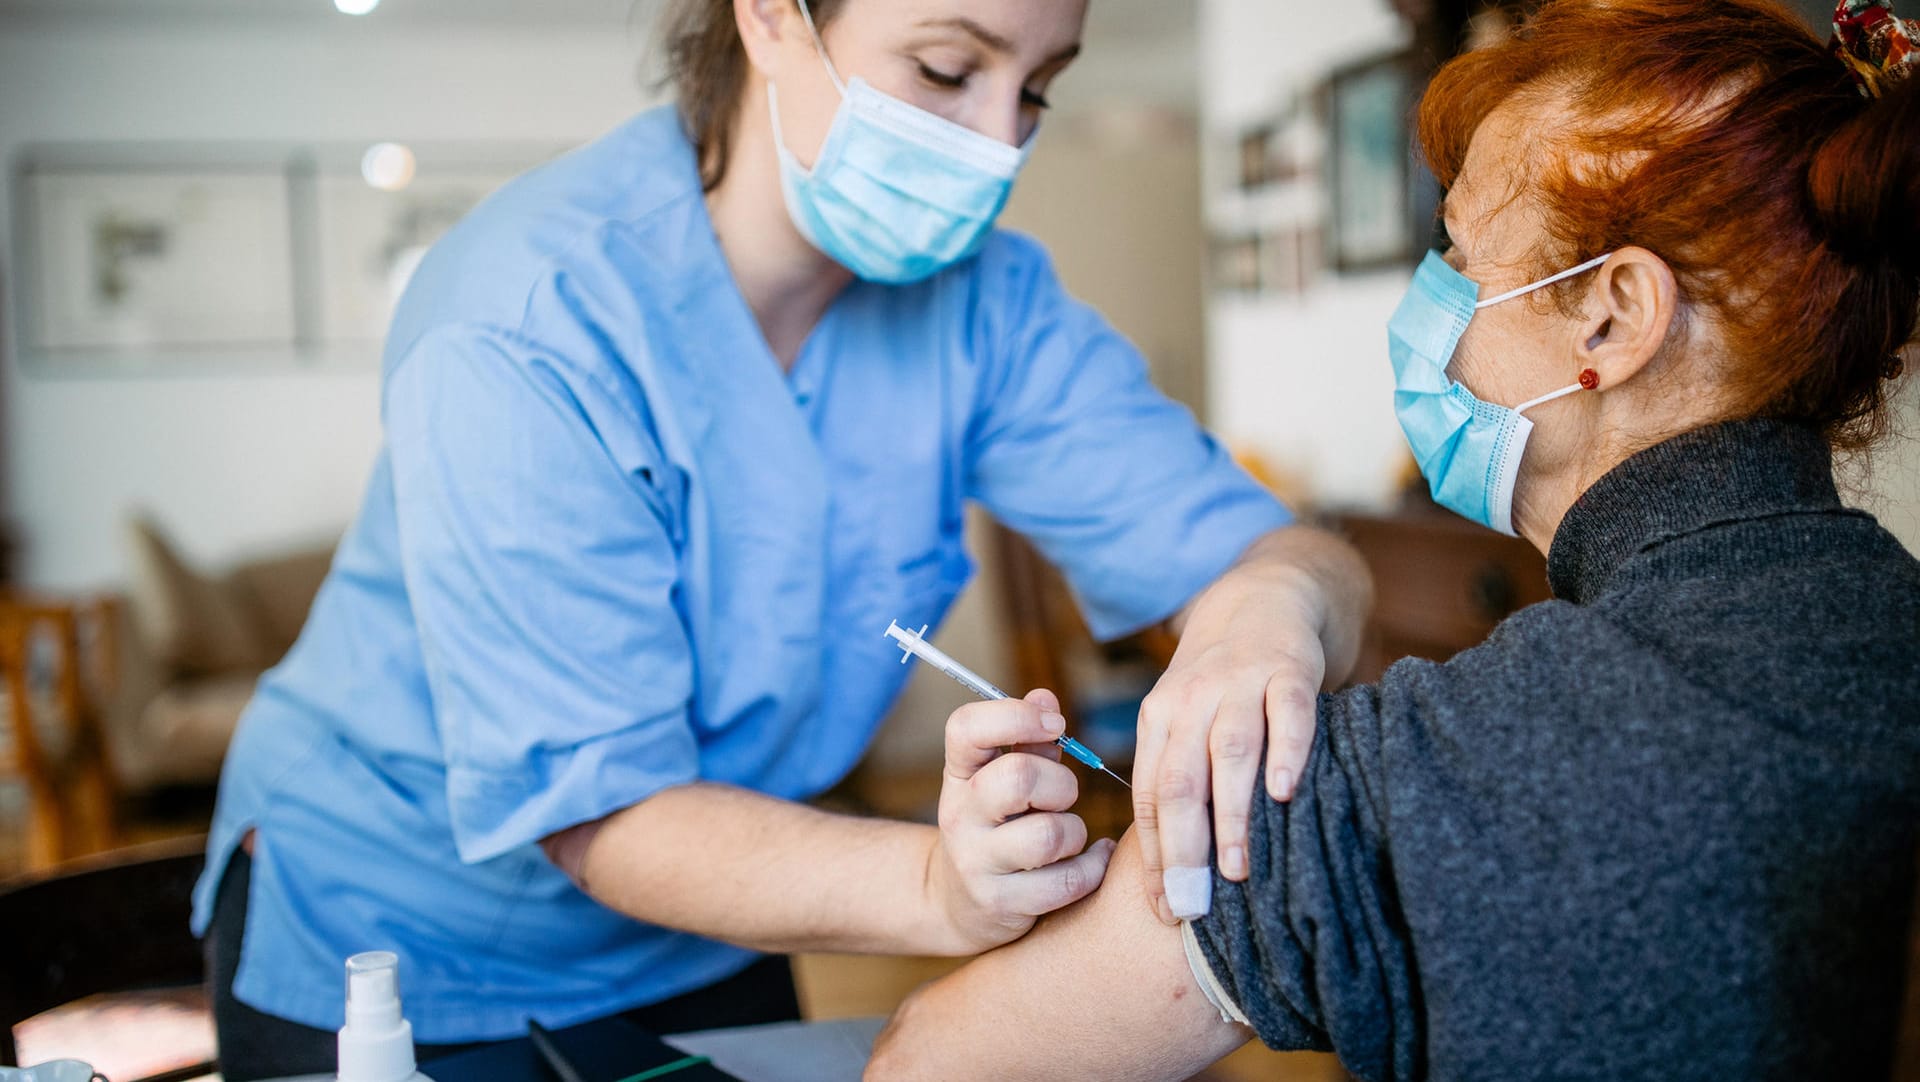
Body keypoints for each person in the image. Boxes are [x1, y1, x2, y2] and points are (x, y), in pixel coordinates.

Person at [191, 0, 1374, 1074]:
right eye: (946, 66)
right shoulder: (530, 317)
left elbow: (1284, 556)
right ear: (768, 19)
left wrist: (1266, 618)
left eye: (1038, 88)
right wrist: (933, 879)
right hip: (404, 943)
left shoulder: (986, 305)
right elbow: (599, 809)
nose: (995, 139)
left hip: (718, 918)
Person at [866, 0, 1920, 1078]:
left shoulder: (1483, 748)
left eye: (1458, 255)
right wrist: (1266, 608)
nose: (1432, 304)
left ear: (1610, 316)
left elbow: (935, 1058)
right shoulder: (1885, 614)